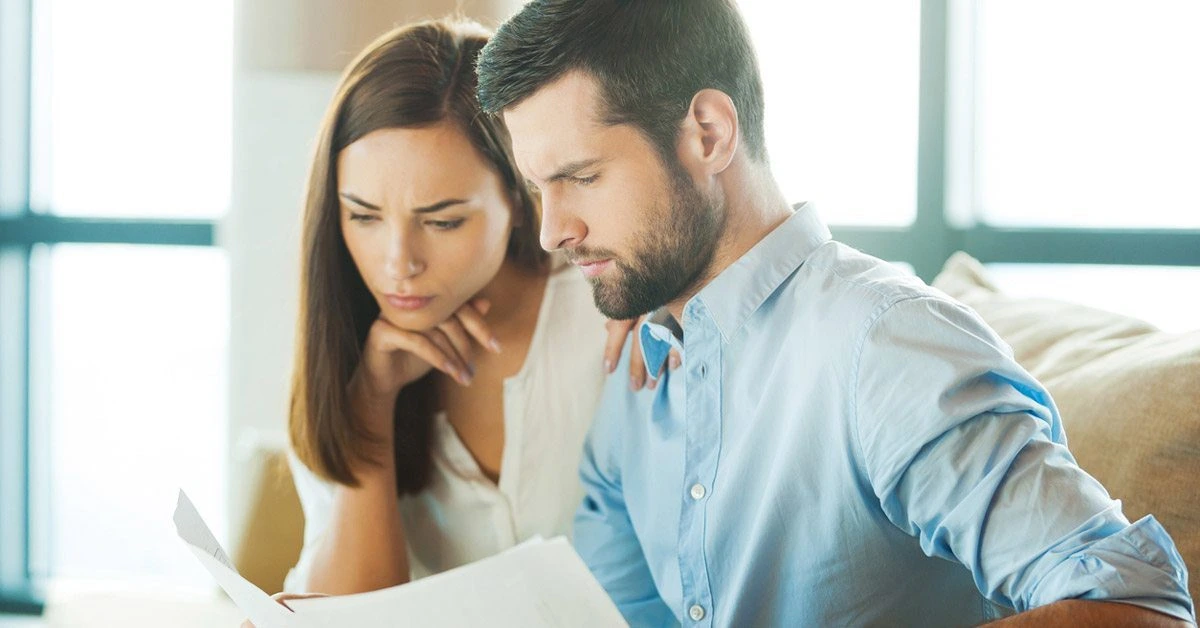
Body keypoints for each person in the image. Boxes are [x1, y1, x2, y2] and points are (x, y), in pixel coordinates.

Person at [475, 1, 1196, 626]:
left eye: (581, 177)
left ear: (708, 135)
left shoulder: (887, 345)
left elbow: (1139, 608)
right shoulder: (637, 378)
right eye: (540, 189)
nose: (552, 231)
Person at [278, 17, 658, 601]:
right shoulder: (346, 355)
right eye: (363, 216)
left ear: (519, 196)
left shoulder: (615, 323)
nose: (398, 263)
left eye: (443, 221)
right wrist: (372, 404)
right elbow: (346, 612)